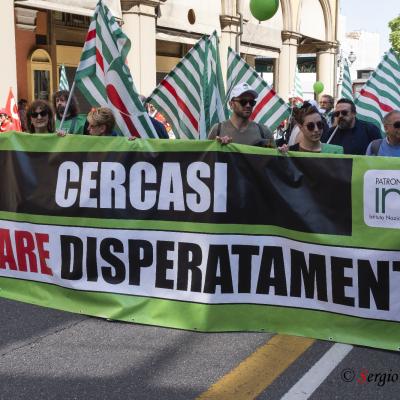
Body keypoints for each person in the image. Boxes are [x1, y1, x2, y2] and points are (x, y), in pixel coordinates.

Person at [208, 82, 274, 146]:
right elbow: (208, 155)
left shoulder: (264, 132)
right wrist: (217, 146)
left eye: (251, 102)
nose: (248, 105)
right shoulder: (217, 131)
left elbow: (274, 156)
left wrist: (282, 151)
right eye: (243, 101)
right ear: (231, 104)